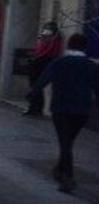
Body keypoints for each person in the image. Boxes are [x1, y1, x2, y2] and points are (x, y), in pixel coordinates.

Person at [29, 33, 99, 193]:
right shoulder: (92, 66)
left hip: (61, 108)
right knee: (68, 142)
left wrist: (33, 93)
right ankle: (60, 170)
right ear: (85, 47)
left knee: (65, 142)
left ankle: (68, 177)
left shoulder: (58, 63)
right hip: (81, 110)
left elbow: (43, 80)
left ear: (68, 45)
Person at [26, 21, 63, 117]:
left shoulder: (54, 38)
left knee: (38, 86)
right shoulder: (47, 38)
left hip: (43, 62)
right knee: (34, 86)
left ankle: (35, 109)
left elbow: (50, 51)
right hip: (38, 62)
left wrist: (37, 57)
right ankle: (33, 108)